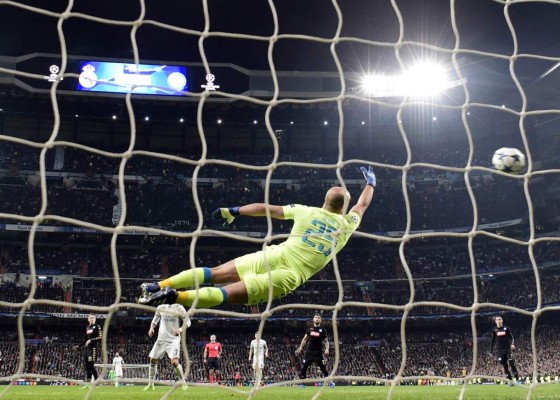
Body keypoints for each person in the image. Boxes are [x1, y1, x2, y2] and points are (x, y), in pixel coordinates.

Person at [138, 166, 376, 308]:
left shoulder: (305, 211)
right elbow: (362, 205)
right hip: (289, 275)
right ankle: (175, 297)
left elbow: (265, 208)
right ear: (343, 208)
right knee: (224, 295)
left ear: (324, 201)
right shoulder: (347, 225)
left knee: (214, 273)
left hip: (274, 255)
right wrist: (371, 182)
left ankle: (157, 285)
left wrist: (234, 210)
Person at [143, 304, 190, 391]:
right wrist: (151, 328)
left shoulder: (179, 307)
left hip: (173, 340)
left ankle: (183, 382)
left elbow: (188, 322)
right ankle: (151, 384)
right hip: (161, 339)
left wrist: (180, 329)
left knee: (174, 362)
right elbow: (155, 320)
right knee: (153, 360)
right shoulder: (160, 307)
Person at [296, 314, 334, 388]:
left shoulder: (323, 330)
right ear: (313, 319)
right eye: (316, 317)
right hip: (309, 352)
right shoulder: (310, 329)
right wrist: (300, 347)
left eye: (318, 318)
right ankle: (302, 383)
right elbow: (305, 339)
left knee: (323, 368)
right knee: (304, 366)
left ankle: (329, 381)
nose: (317, 319)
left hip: (318, 352)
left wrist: (327, 349)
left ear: (320, 320)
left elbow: (326, 341)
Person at [73, 314, 102, 389]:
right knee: (87, 367)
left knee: (91, 366)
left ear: (95, 319)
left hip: (93, 349)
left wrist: (91, 340)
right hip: (87, 350)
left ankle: (96, 383)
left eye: (93, 318)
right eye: (91, 318)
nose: (92, 319)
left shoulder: (97, 327)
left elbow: (100, 337)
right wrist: (79, 346)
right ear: (88, 319)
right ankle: (88, 384)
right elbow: (86, 339)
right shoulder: (87, 327)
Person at [489, 315, 520, 386]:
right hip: (499, 351)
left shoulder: (506, 328)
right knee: (505, 366)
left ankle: (517, 379)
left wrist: (512, 343)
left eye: (500, 319)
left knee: (511, 362)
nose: (499, 321)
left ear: (502, 320)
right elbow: (492, 341)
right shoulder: (494, 330)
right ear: (495, 321)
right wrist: (491, 351)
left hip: (507, 349)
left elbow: (512, 337)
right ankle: (510, 381)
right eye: (497, 320)